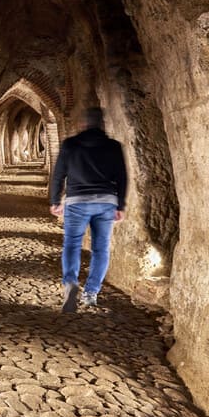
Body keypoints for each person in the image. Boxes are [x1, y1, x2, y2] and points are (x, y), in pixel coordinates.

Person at [49, 107, 127, 312]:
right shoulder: (113, 146)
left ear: (82, 124)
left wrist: (55, 200)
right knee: (101, 249)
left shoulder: (70, 145)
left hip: (76, 202)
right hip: (105, 202)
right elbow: (122, 178)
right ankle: (91, 292)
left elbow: (58, 175)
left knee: (72, 245)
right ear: (103, 124)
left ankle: (70, 285)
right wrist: (121, 205)